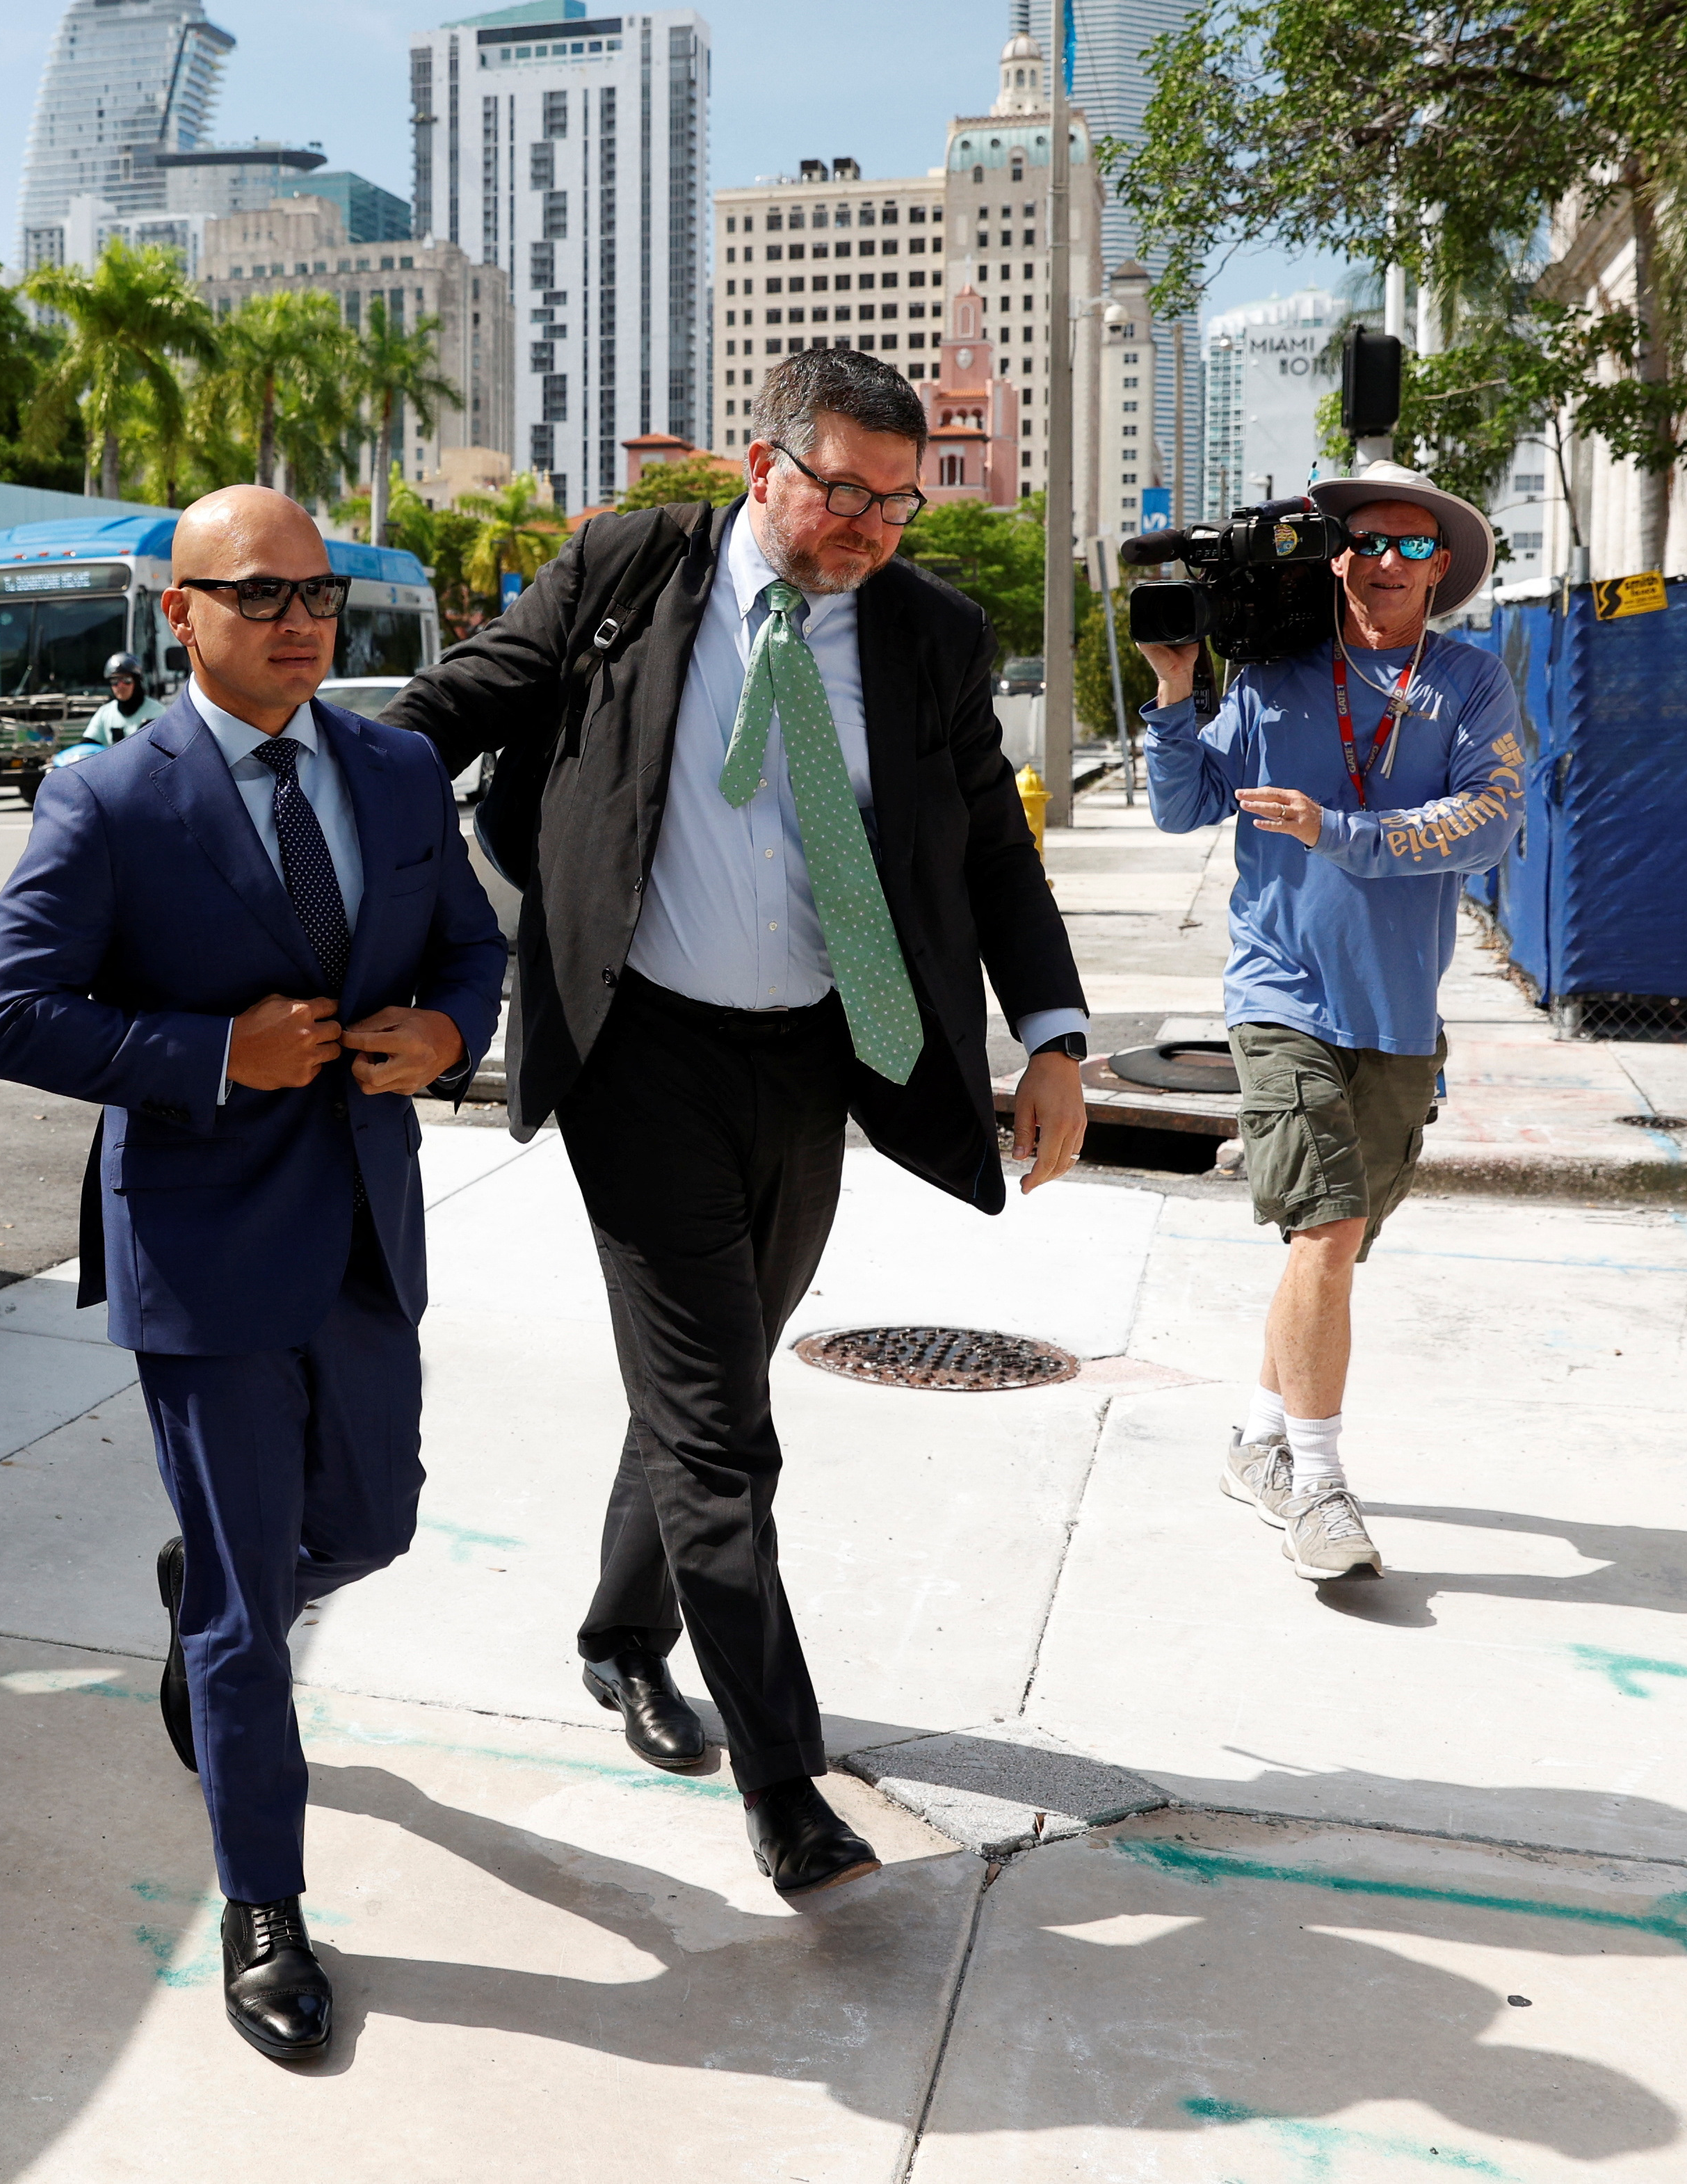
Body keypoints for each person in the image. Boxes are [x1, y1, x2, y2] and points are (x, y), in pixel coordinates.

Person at [382, 347, 1089, 1900]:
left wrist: (1052, 1035)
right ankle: (785, 1781)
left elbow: (986, 844)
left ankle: (623, 1630)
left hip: (819, 1060)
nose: (868, 527)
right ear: (760, 463)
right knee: (721, 1428)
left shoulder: (928, 637)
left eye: (898, 504)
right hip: (635, 1047)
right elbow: (479, 691)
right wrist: (302, 764)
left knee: (710, 1369)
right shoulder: (634, 566)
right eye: (843, 491)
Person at [0, 485, 506, 2065]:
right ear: (180, 614)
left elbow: (466, 947)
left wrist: (446, 1033)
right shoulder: (108, 800)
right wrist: (215, 1052)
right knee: (248, 1627)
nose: (295, 618)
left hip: (357, 1226)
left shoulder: (399, 766)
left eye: (315, 592)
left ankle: (210, 1584)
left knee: (371, 1522)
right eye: (256, 592)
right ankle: (262, 1902)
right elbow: (12, 1013)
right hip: (199, 1247)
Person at [1136, 463, 1524, 1584]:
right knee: (1324, 1234)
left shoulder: (1469, 682)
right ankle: (1317, 1484)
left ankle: (1254, 1442)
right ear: (1330, 557)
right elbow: (1180, 807)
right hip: (1278, 995)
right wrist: (1174, 689)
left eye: (1409, 547)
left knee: (1333, 1248)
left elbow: (1489, 823)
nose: (1382, 563)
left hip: (1398, 1011)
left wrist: (1337, 829)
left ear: (1439, 567)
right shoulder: (1269, 679)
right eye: (1361, 544)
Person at [79, 651, 163, 746]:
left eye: (126, 680)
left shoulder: (158, 712)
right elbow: (86, 746)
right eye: (115, 681)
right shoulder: (104, 713)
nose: (120, 686)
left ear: (137, 682)